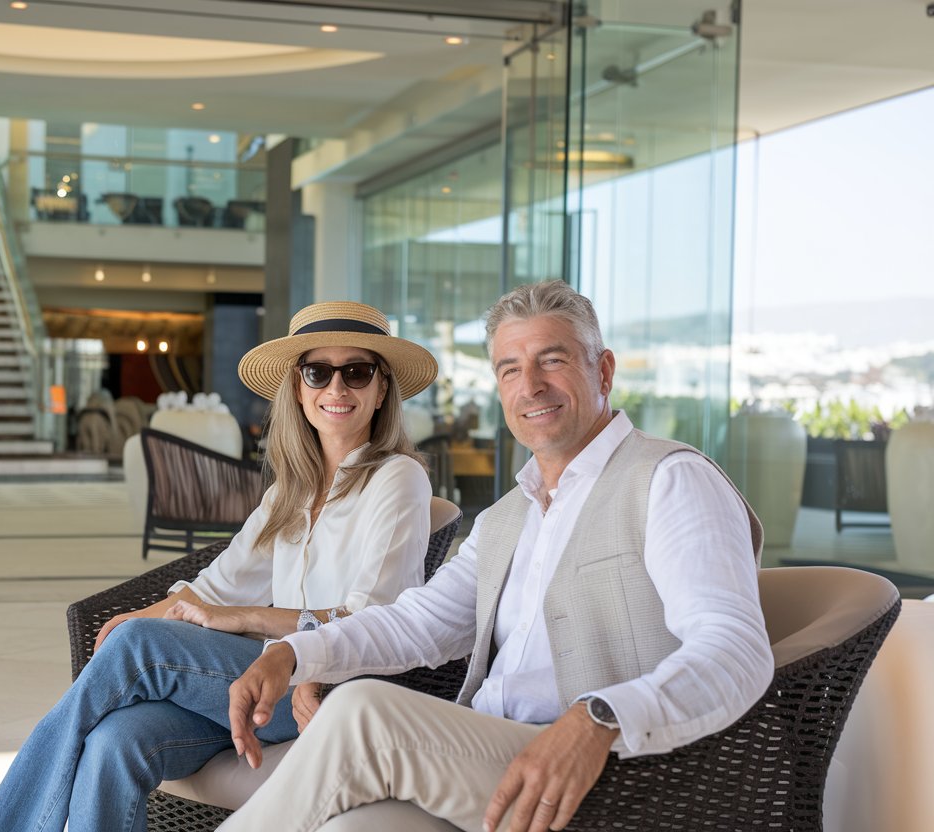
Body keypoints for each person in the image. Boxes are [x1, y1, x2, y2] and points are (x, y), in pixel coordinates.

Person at [222, 281, 773, 832]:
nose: (529, 386)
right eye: (509, 369)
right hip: (492, 753)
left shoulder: (670, 479)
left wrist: (600, 717)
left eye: (551, 361)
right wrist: (294, 653)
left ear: (603, 372)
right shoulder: (509, 517)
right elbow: (418, 623)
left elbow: (736, 652)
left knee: (359, 711)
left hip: (611, 772)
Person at [0, 301, 439, 832]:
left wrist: (252, 620)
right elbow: (214, 588)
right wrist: (142, 615)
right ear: (299, 388)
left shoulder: (397, 479)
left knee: (138, 647)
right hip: (254, 685)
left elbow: (375, 617)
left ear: (381, 391)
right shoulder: (291, 491)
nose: (337, 388)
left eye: (357, 372)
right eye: (318, 372)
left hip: (330, 687)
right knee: (114, 742)